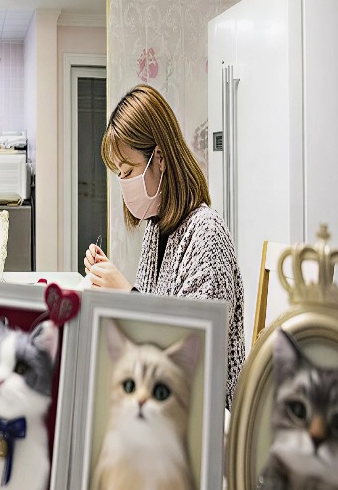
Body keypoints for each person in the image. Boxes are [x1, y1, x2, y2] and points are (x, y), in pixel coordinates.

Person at [84, 83, 245, 408]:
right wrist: (110, 288)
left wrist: (126, 296)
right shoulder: (157, 229)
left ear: (158, 158)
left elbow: (196, 354)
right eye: (119, 174)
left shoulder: (205, 233)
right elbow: (150, 324)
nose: (123, 184)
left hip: (207, 417)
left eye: (128, 171)